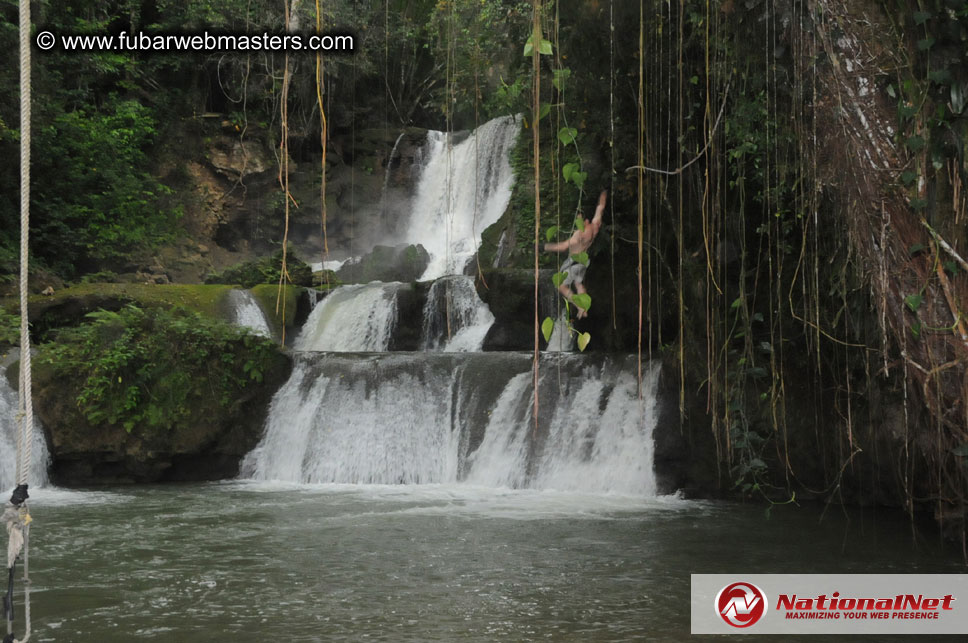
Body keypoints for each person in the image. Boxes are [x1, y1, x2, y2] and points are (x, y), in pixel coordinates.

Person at [541, 190, 607, 319]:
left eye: (579, 218)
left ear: (584, 219)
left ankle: (579, 306)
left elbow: (563, 246)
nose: (578, 220)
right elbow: (600, 208)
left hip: (574, 261)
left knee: (560, 285)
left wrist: (543, 247)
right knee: (578, 284)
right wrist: (603, 193)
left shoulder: (580, 233)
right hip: (584, 261)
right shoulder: (595, 226)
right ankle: (584, 308)